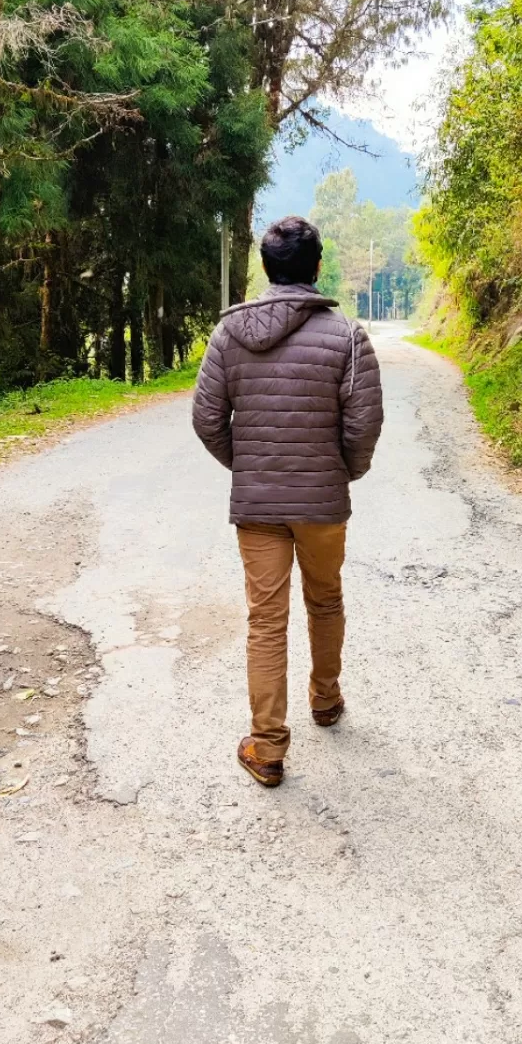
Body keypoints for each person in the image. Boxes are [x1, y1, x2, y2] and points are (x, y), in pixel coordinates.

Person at [192, 216, 384, 787]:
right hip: (323, 504)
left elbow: (207, 420)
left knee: (265, 621)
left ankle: (268, 749)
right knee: (325, 601)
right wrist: (336, 473)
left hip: (258, 508)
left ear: (267, 268)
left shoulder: (229, 336)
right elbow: (364, 426)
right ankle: (325, 700)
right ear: (317, 267)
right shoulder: (348, 337)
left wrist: (250, 466)